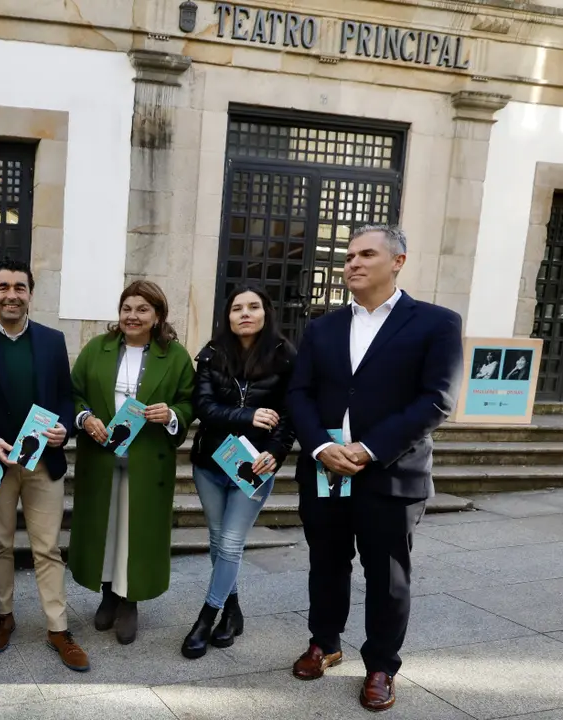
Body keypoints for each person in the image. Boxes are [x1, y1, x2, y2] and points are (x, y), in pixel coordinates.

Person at [288, 225, 463, 712]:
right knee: (326, 562)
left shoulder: (436, 323)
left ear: (398, 261)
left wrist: (367, 449)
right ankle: (324, 642)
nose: (353, 264)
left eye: (366, 254)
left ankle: (382, 665)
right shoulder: (321, 327)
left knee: (387, 575)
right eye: (348, 257)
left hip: (390, 471)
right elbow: (299, 393)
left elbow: (438, 400)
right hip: (325, 469)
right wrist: (320, 446)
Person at [0, 259, 87, 672]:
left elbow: (66, 397)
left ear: (30, 294)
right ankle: (4, 616)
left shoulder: (52, 341)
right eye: (3, 288)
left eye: (19, 287)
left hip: (42, 462)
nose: (11, 294)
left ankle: (57, 627)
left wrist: (64, 429)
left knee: (46, 547)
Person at [67, 280, 194, 646]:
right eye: (127, 308)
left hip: (146, 463)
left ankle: (129, 601)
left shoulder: (175, 356)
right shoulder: (97, 349)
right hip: (102, 458)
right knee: (106, 529)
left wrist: (170, 413)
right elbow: (73, 394)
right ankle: (107, 593)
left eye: (142, 310)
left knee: (133, 532)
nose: (132, 316)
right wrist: (85, 417)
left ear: (157, 316)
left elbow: (189, 403)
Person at [184, 285, 295, 659]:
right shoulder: (212, 354)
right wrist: (248, 415)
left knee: (231, 543)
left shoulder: (286, 357)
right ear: (227, 317)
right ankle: (232, 613)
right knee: (218, 541)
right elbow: (203, 405)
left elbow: (290, 416)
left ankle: (206, 618)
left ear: (266, 312)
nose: (244, 314)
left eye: (253, 307)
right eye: (236, 308)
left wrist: (277, 452)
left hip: (255, 467)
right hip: (211, 463)